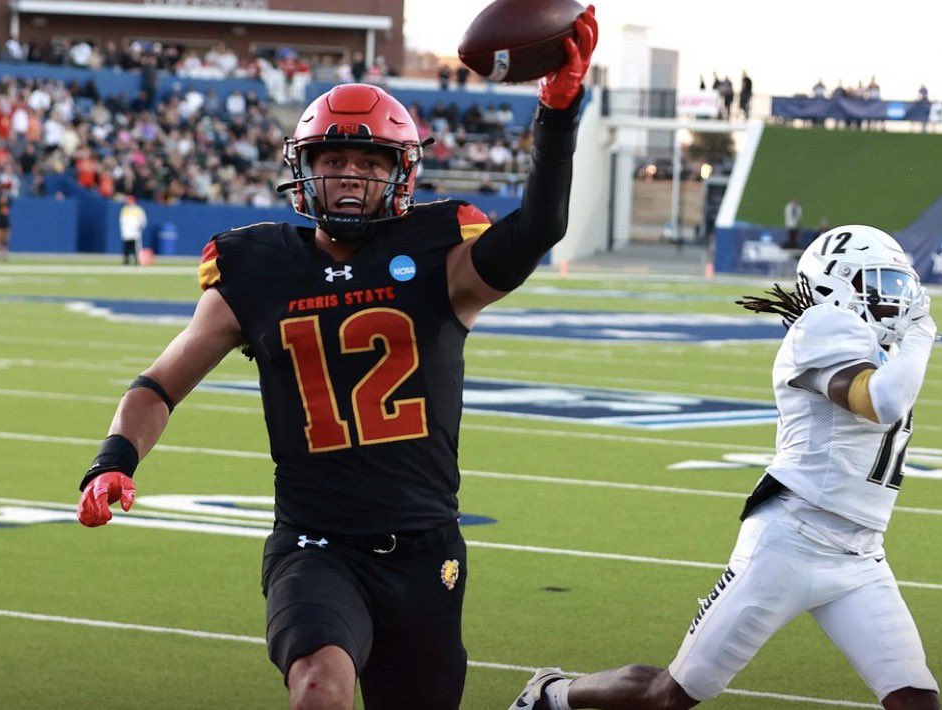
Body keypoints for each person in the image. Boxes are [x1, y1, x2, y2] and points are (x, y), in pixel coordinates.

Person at [75, 7, 599, 710]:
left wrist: (558, 111)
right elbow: (160, 383)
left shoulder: (443, 257)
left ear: (400, 173)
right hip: (312, 547)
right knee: (318, 689)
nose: (349, 175)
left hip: (423, 551)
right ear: (304, 170)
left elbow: (541, 225)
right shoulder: (254, 268)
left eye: (369, 161)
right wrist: (113, 460)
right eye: (332, 160)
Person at [511, 225, 941, 710]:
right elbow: (880, 401)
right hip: (791, 542)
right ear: (835, 284)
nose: (899, 301)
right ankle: (552, 695)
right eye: (882, 285)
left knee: (915, 698)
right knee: (669, 695)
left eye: (901, 285)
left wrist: (910, 342)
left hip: (860, 556)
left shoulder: (875, 348)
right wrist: (922, 333)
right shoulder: (822, 327)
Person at [0, 160, 17, 260]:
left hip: (6, 208)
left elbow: (13, 191)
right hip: (0, 208)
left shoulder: (14, 179)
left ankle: (4, 249)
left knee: (6, 231)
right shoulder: (0, 178)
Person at [119, 194, 147, 265]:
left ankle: (137, 261)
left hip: (135, 233)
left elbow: (143, 220)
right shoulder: (124, 209)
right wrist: (123, 230)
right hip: (126, 232)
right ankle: (126, 260)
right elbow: (122, 221)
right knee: (126, 248)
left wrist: (139, 228)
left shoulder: (138, 209)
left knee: (136, 248)